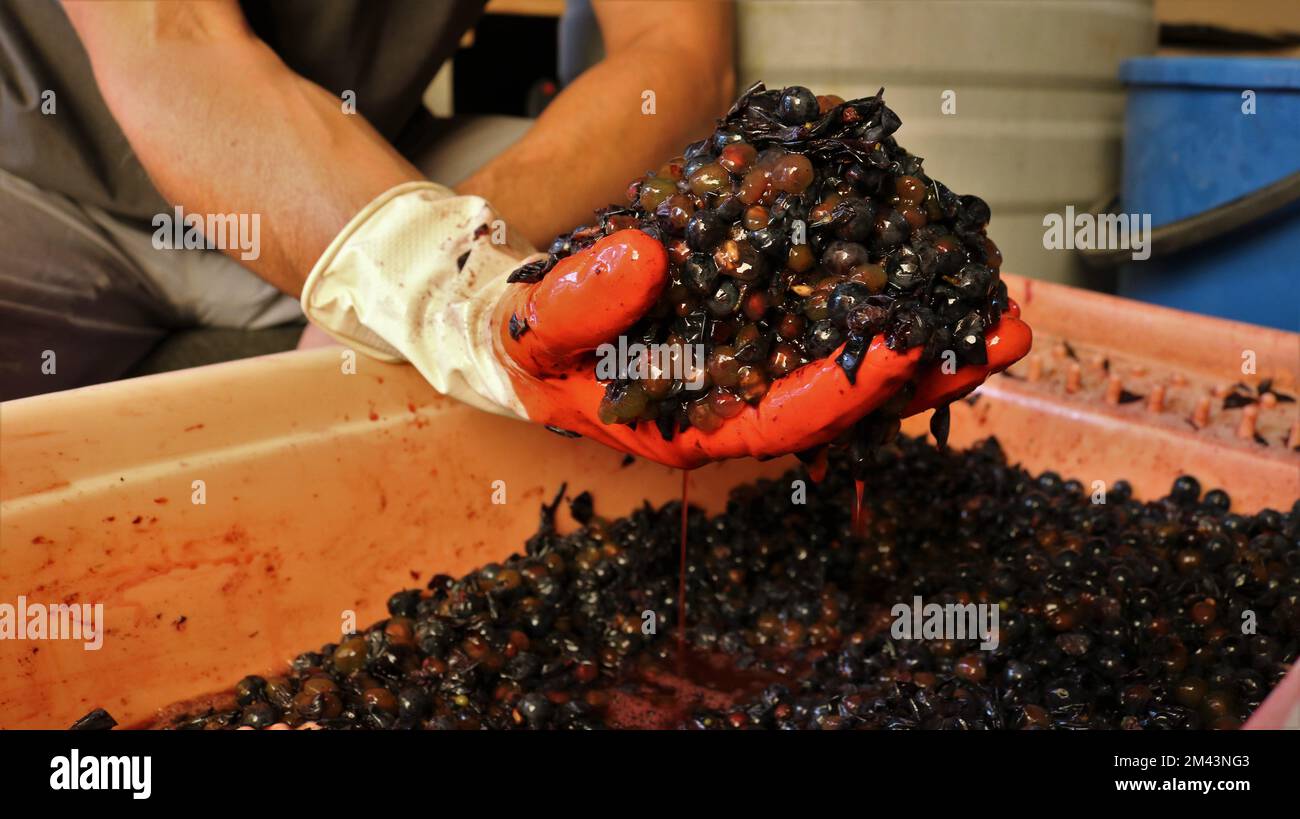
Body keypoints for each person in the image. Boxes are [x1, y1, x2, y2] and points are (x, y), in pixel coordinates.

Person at [1, 0, 1029, 467]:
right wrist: (422, 280)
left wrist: (476, 255)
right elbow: (169, 33)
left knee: (653, 273)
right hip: (40, 186)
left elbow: (678, 49)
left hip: (367, 148)